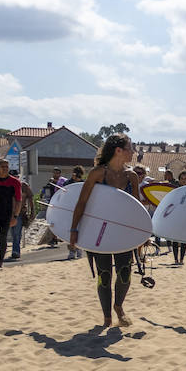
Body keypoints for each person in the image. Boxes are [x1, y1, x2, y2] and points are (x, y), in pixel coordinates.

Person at [67, 135, 140, 325]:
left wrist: (142, 235)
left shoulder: (131, 176)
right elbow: (82, 202)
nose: (133, 152)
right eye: (130, 148)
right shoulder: (98, 174)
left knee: (124, 273)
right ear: (118, 150)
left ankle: (118, 306)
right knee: (105, 275)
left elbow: (136, 209)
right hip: (100, 232)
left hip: (123, 234)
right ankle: (107, 318)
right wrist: (74, 229)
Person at [169, 171, 186, 265]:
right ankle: (176, 260)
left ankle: (182, 260)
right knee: (175, 239)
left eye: (185, 179)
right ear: (179, 180)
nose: (184, 181)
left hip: (185, 217)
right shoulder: (175, 191)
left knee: (183, 240)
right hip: (175, 217)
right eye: (182, 179)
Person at [10, 177, 35, 259]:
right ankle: (15, 250)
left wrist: (32, 212)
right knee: (13, 233)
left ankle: (16, 251)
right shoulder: (8, 185)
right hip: (9, 214)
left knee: (17, 233)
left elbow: (30, 198)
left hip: (20, 213)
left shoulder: (24, 186)